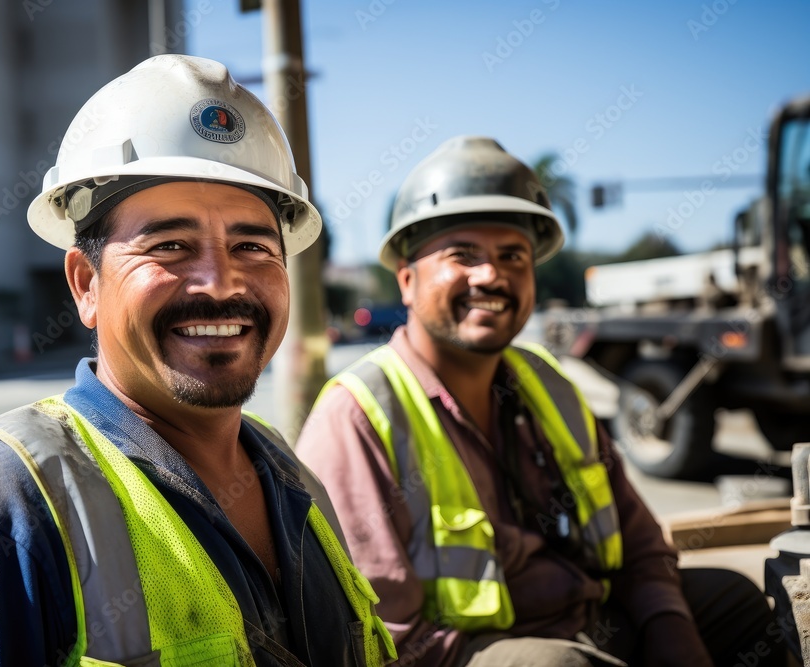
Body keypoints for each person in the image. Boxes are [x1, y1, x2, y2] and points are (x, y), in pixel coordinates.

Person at [0, 55, 395, 667]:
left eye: (252, 246)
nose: (219, 282)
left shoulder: (290, 474)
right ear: (85, 285)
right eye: (170, 246)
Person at [296, 136, 782, 666]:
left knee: (733, 602)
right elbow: (381, 638)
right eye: (464, 255)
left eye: (512, 256)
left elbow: (640, 541)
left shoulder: (547, 387)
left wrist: (670, 628)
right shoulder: (361, 416)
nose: (492, 275)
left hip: (586, 621)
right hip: (461, 656)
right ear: (407, 281)